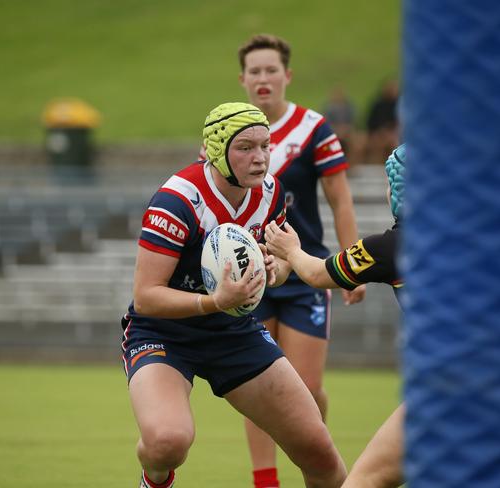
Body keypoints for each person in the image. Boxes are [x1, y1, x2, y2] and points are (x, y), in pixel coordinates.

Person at [123, 102, 347, 488]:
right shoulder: (178, 201)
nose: (259, 158)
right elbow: (145, 297)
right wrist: (214, 301)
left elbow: (276, 266)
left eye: (265, 145)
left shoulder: (272, 193)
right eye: (245, 147)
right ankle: (154, 478)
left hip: (233, 331)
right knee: (167, 442)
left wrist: (274, 271)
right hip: (164, 334)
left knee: (320, 452)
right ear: (216, 150)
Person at [234, 33, 366, 488]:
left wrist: (352, 267)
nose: (263, 78)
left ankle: (319, 464)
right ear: (243, 80)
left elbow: (340, 200)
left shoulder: (314, 128)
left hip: (306, 273)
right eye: (255, 71)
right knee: (259, 391)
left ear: (287, 75)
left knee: (305, 390)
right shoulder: (226, 132)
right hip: (251, 278)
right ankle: (265, 482)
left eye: (272, 70)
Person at [265, 144, 407, 488]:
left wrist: (291, 251)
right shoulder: (475, 240)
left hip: (449, 389)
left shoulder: (389, 247)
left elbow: (317, 274)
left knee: (363, 481)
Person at [364, 78, 399, 165]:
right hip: (377, 134)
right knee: (377, 143)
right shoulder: (378, 104)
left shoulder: (399, 104)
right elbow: (370, 122)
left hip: (394, 134)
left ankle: (395, 166)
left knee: (394, 143)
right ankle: (375, 168)